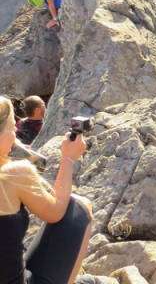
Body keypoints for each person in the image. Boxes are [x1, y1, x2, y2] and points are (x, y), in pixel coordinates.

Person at [0, 96, 94, 284]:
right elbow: (56, 211)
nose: (16, 131)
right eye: (12, 127)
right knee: (79, 207)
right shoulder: (12, 175)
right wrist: (68, 158)